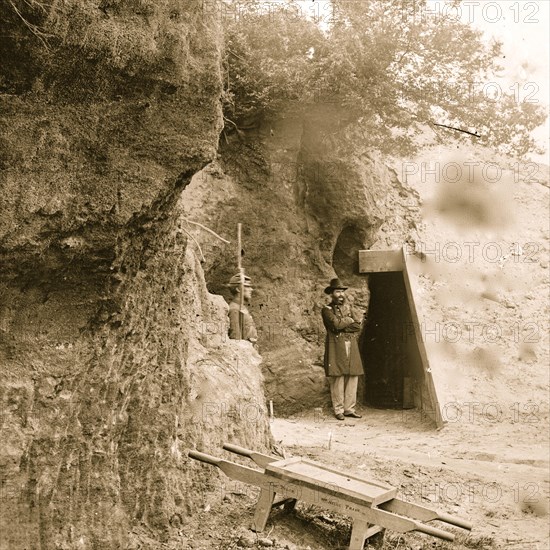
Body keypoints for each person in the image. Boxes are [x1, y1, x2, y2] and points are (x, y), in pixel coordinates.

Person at [321, 277, 365, 420]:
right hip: (336, 345)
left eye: (342, 292)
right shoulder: (326, 310)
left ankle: (349, 409)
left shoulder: (348, 308)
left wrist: (344, 323)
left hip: (351, 344)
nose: (340, 294)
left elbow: (357, 326)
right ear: (332, 294)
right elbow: (335, 325)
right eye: (337, 292)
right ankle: (338, 410)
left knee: (353, 375)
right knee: (337, 377)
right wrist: (348, 321)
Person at [227, 273, 258, 345]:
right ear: (238, 289)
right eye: (247, 287)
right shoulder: (234, 309)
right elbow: (236, 339)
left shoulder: (241, 307)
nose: (251, 289)